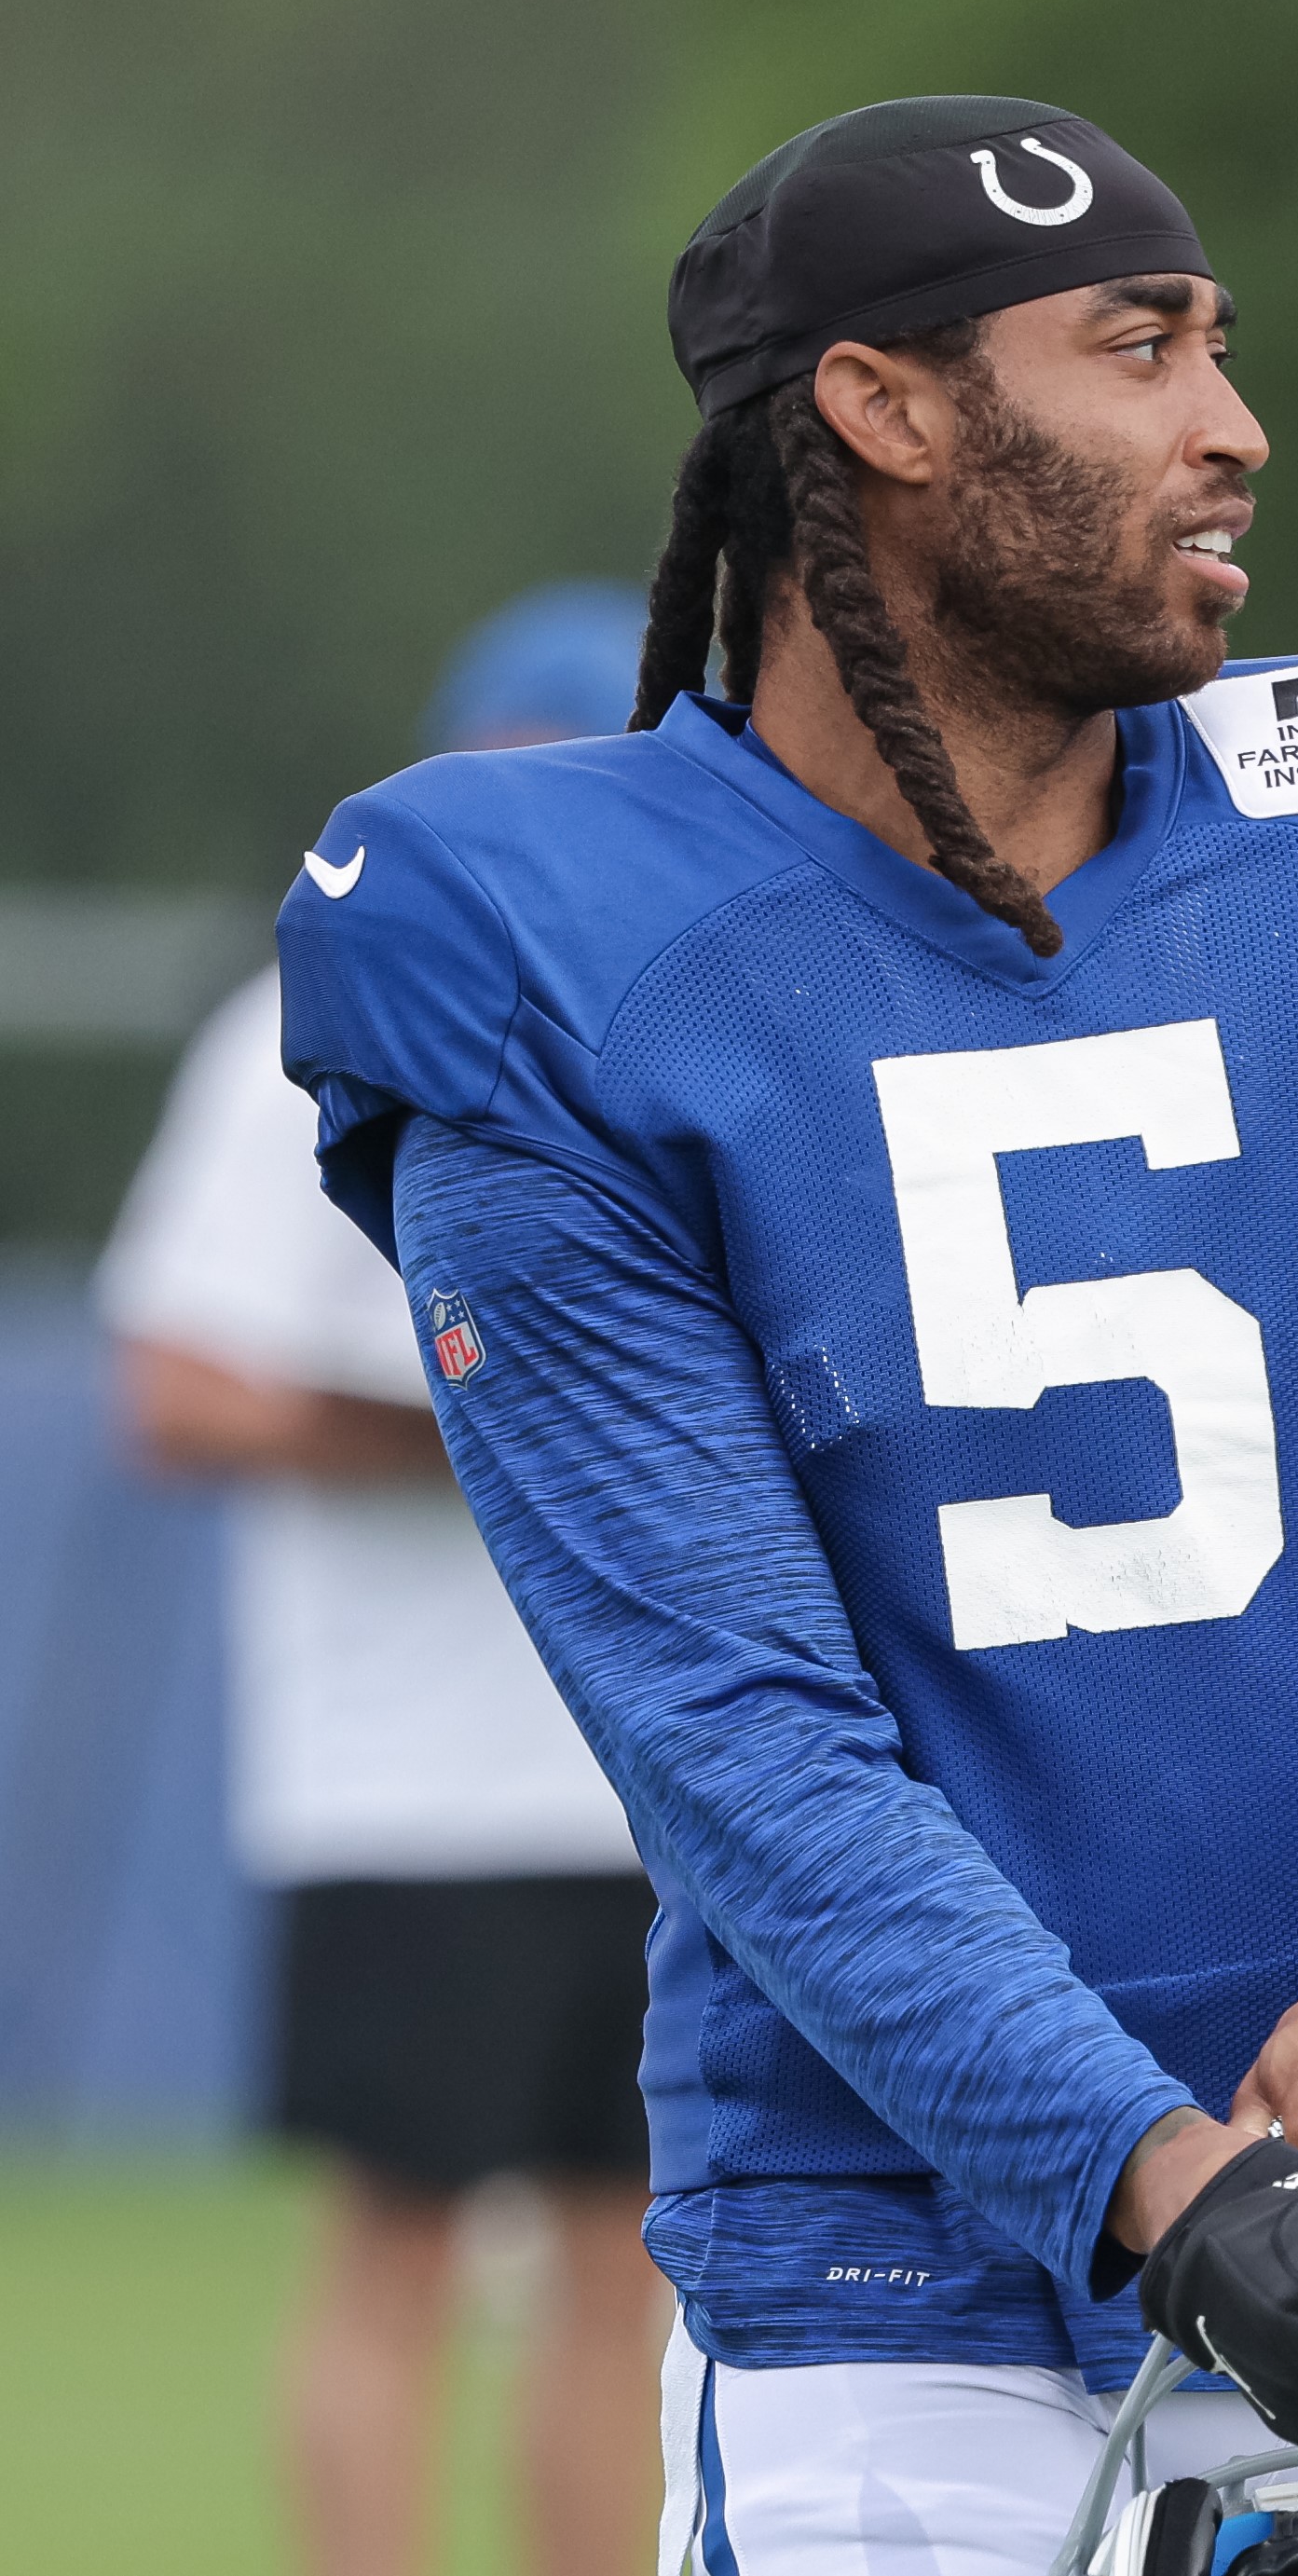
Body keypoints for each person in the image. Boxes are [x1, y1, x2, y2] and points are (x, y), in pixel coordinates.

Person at [273, 95, 1298, 2576]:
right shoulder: (548, 949)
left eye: (1220, 346)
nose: (1232, 423)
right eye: (1139, 347)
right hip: (899, 2308)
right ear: (886, 410)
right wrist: (1151, 2175)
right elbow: (740, 1737)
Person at [100, 583, 666, 2576]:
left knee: (636, 2267)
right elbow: (176, 1381)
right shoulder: (303, 1017)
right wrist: (481, 1429)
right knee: (398, 2251)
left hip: (667, 1767)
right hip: (405, 1776)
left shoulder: (686, 1013)